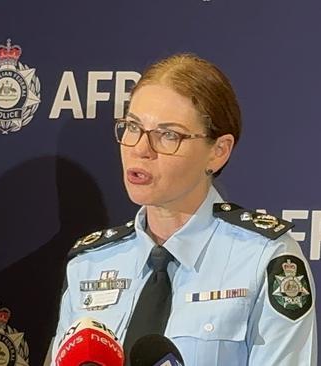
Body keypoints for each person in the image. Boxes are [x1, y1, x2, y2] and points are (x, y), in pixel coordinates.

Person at [52, 53, 316, 365]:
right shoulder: (90, 263)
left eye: (168, 135)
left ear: (218, 152)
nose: (140, 149)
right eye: (132, 127)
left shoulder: (263, 258)